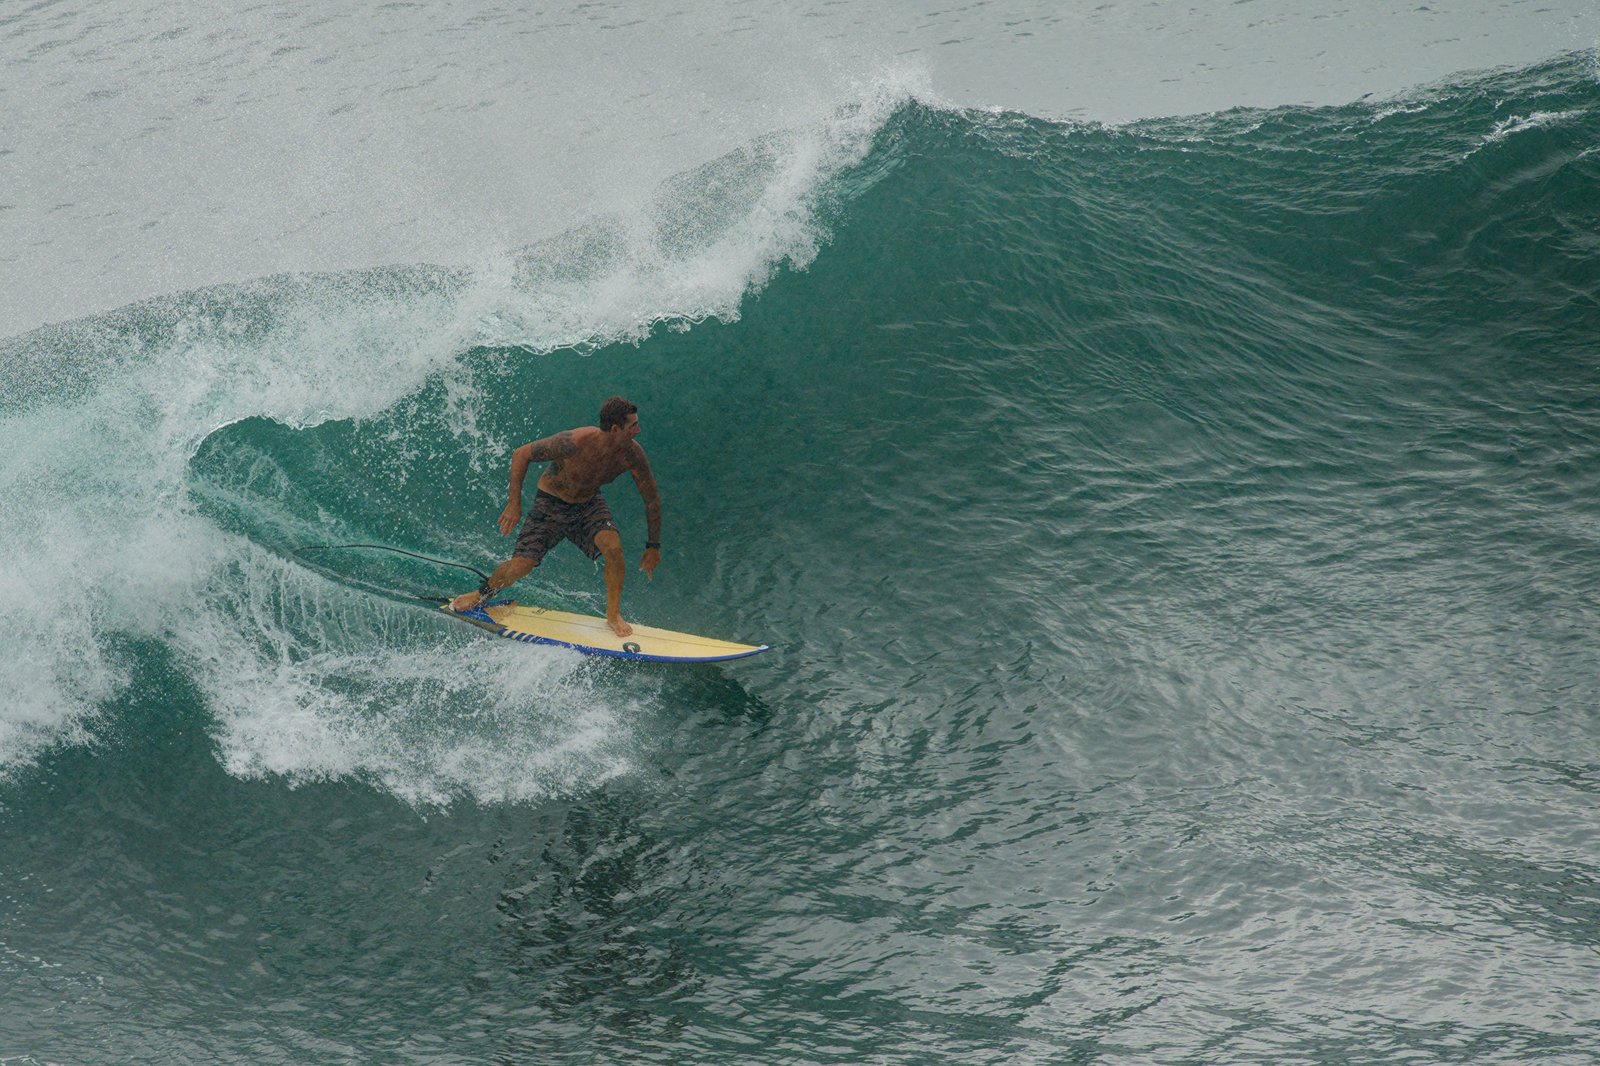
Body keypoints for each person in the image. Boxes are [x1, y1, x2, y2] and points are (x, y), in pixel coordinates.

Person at [449, 396, 661, 637]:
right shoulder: (573, 442)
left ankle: (613, 615)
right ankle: (481, 594)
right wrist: (514, 504)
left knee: (613, 548)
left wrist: (653, 546)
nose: (638, 431)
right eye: (633, 426)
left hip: (588, 504)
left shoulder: (632, 455)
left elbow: (651, 499)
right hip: (551, 503)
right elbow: (521, 454)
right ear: (615, 429)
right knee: (521, 566)